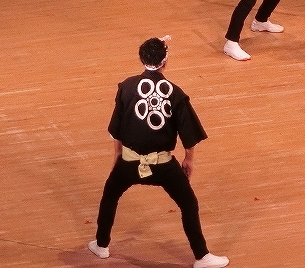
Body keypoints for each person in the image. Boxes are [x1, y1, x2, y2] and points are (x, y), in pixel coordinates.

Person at [88, 37, 228, 268]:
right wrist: (189, 160)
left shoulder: (126, 87)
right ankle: (202, 256)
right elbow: (188, 132)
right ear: (165, 61)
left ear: (141, 59)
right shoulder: (175, 93)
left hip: (129, 161)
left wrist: (117, 159)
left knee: (110, 195)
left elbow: (117, 130)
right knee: (188, 204)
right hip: (163, 166)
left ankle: (101, 245)